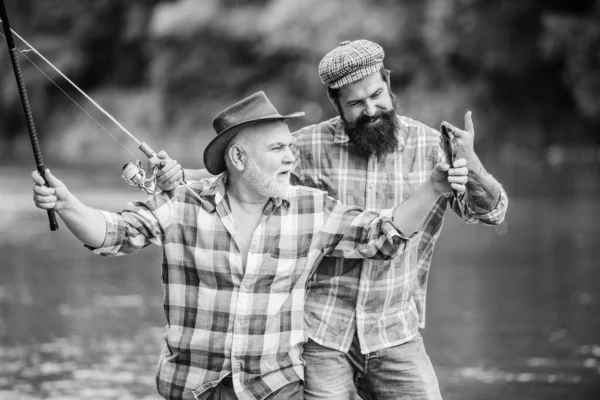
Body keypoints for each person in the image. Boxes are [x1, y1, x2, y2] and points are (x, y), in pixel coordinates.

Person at [32, 91, 470, 400]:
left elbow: (384, 233)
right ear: (239, 159)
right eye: (278, 149)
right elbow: (112, 233)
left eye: (291, 148)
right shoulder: (182, 202)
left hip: (275, 390)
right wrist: (68, 204)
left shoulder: (311, 210)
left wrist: (433, 187)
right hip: (193, 388)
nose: (291, 159)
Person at [159, 40, 508, 399]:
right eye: (356, 103)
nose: (371, 110)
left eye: (376, 95)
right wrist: (178, 177)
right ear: (336, 102)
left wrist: (473, 163)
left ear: (387, 82)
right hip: (319, 331)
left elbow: (492, 213)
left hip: (394, 329)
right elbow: (241, 176)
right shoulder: (304, 147)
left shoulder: (431, 146)